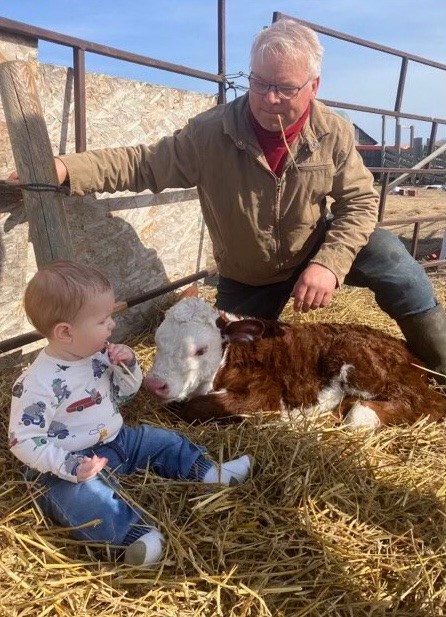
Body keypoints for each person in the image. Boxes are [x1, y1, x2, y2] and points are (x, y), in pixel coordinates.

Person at [11, 19, 446, 381]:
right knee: (233, 369)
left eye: (284, 88)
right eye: (258, 83)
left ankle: (440, 364)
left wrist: (328, 265)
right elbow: (144, 164)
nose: (267, 98)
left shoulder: (332, 131)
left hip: (309, 251)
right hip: (248, 273)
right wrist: (67, 170)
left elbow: (360, 203)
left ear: (313, 86)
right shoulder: (210, 132)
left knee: (390, 254)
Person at [8, 260, 254, 567]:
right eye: (103, 320)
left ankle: (208, 471)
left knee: (162, 440)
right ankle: (134, 538)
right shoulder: (37, 383)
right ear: (65, 332)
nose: (112, 325)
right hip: (68, 465)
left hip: (118, 440)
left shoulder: (97, 357)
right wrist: (68, 466)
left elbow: (124, 394)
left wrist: (128, 366)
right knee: (83, 500)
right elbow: (24, 439)